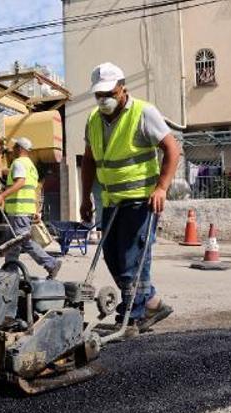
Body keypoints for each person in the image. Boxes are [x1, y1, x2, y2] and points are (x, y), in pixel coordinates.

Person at [80, 62, 180, 336]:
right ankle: (152, 303)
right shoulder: (92, 119)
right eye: (99, 95)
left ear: (122, 88)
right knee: (112, 257)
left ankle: (131, 317)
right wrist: (86, 198)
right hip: (111, 201)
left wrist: (161, 188)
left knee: (132, 260)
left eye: (109, 93)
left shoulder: (143, 112)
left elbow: (172, 149)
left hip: (141, 202)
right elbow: (88, 161)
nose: (103, 100)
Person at [0, 137, 62, 279]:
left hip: (19, 209)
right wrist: (36, 211)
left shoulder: (18, 163)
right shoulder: (31, 166)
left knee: (22, 241)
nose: (13, 149)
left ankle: (51, 263)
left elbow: (20, 183)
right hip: (24, 209)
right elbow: (34, 190)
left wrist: (2, 196)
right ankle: (11, 273)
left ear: (20, 148)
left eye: (15, 146)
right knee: (13, 243)